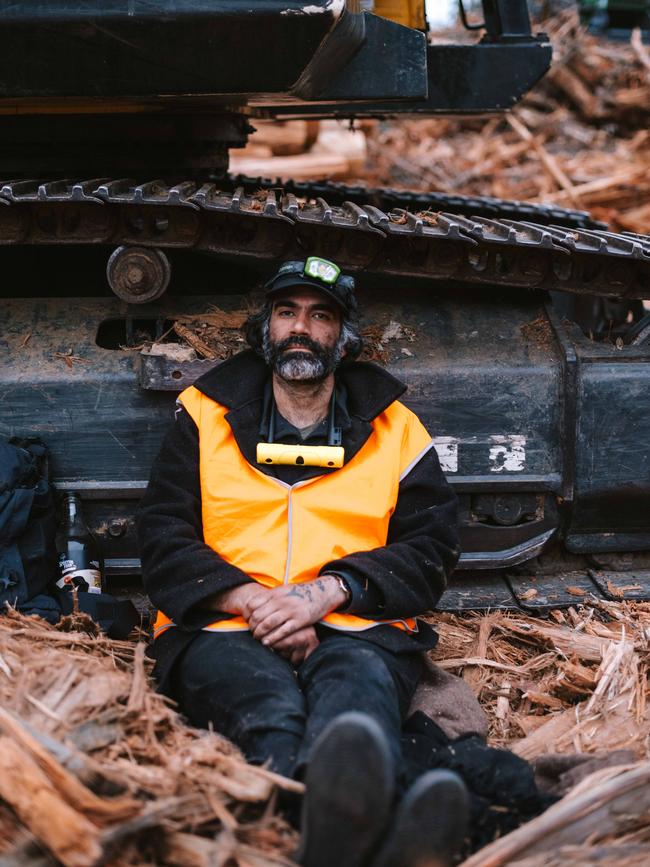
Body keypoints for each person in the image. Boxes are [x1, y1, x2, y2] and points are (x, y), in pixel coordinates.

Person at [138, 256, 469, 867]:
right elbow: (162, 539)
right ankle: (371, 834)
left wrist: (323, 596)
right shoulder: (203, 414)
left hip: (353, 626)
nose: (300, 327)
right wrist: (255, 601)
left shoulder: (396, 428)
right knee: (268, 711)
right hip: (227, 626)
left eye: (320, 316)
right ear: (265, 327)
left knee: (358, 708)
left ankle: (330, 832)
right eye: (286, 312)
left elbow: (431, 550)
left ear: (342, 339)